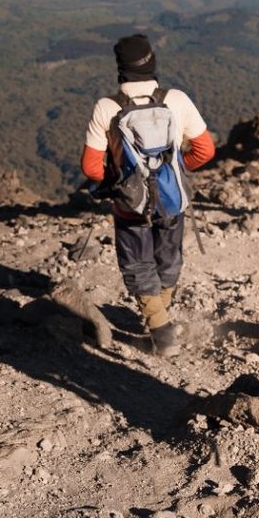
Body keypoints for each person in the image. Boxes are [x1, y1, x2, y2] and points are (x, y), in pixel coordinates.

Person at [81, 34, 216, 356]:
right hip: (171, 199)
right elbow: (205, 150)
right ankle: (160, 315)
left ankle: (161, 331)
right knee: (168, 259)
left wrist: (119, 184)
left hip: (130, 205)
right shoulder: (177, 99)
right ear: (152, 63)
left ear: (120, 69)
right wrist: (178, 172)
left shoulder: (107, 107)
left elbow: (90, 167)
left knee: (138, 264)